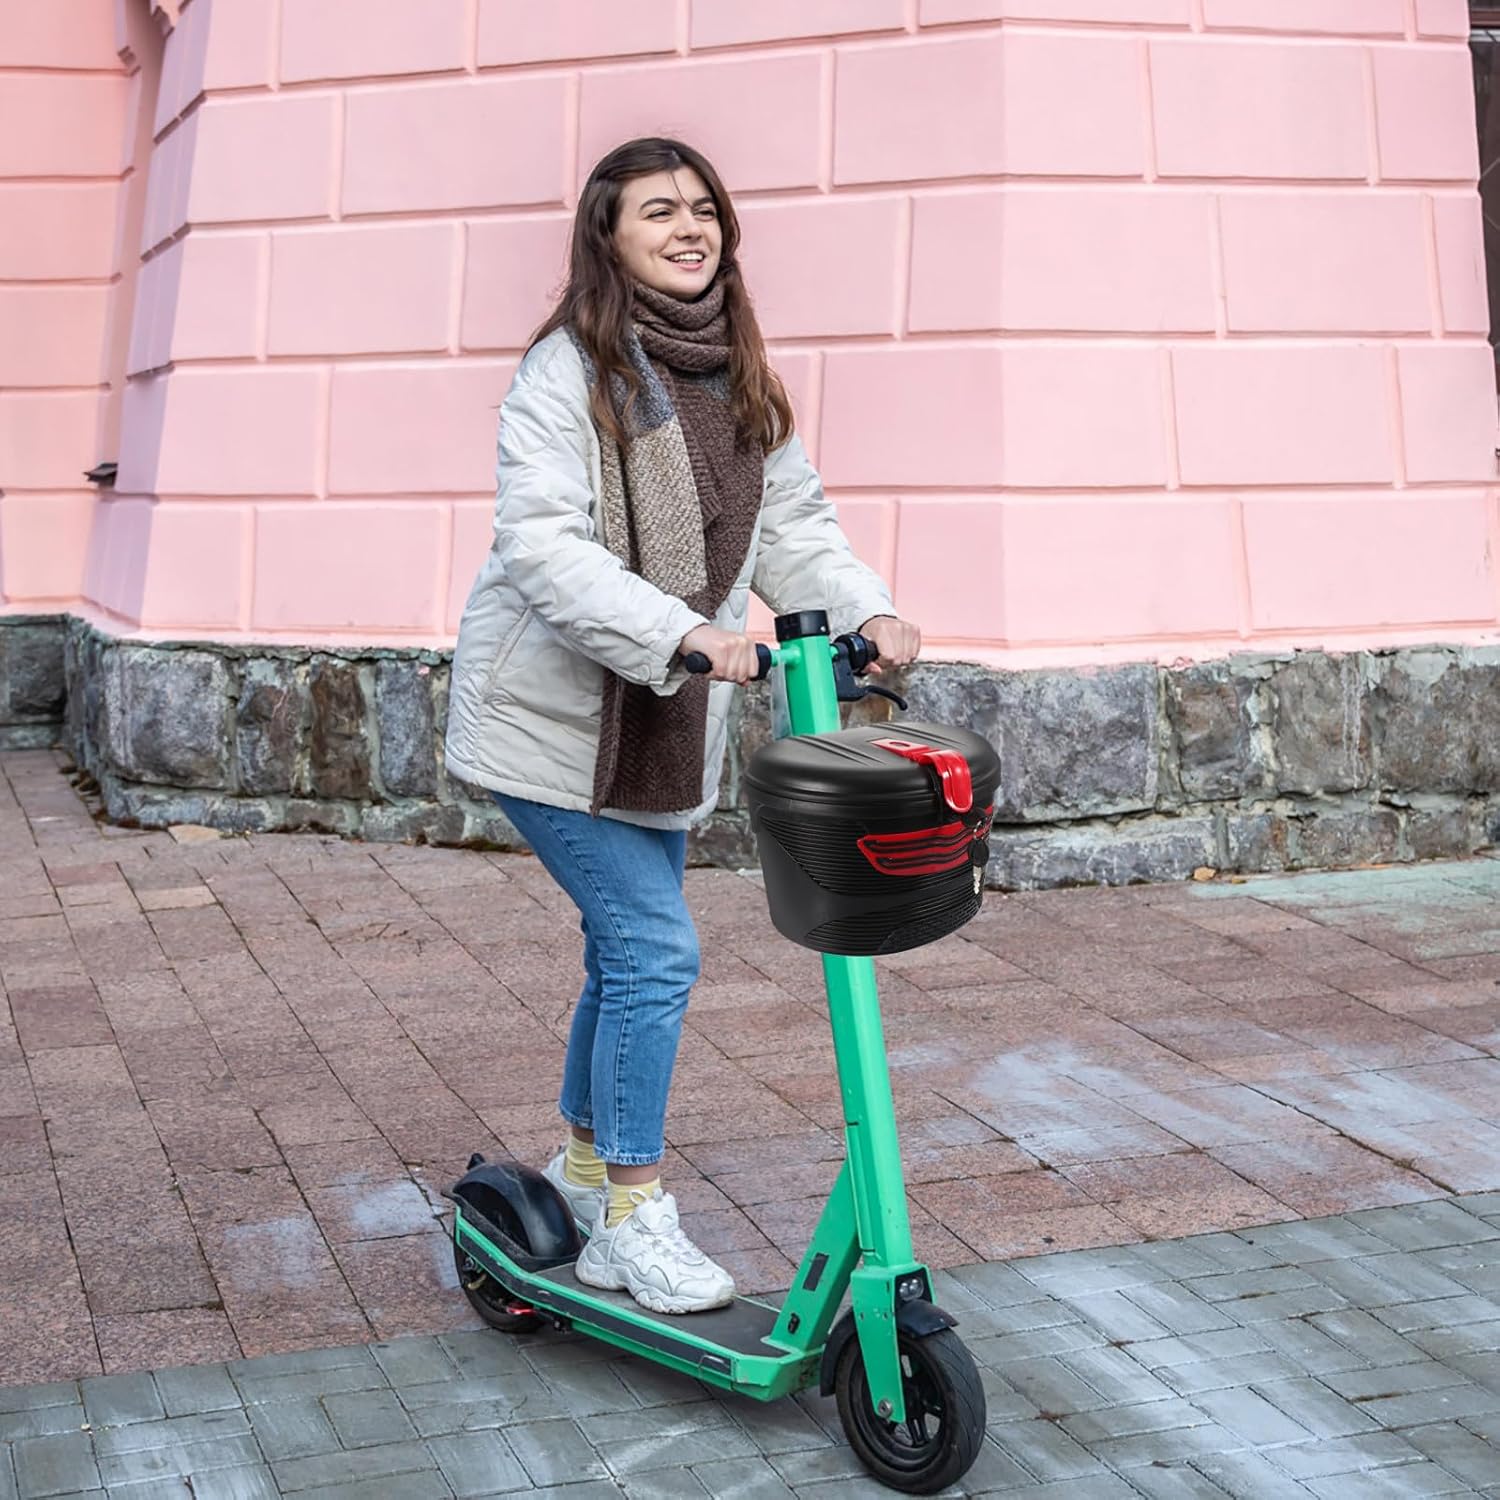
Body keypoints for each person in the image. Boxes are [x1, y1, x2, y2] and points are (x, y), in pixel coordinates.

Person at [445, 138, 920, 1315]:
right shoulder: (568, 371)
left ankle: (584, 1170)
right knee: (654, 950)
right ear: (608, 237)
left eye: (703, 208)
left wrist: (866, 609)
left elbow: (793, 525)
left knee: (627, 951)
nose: (688, 227)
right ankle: (629, 1220)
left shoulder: (739, 376)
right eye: (658, 211)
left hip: (660, 723)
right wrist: (687, 634)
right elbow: (542, 545)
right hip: (553, 722)